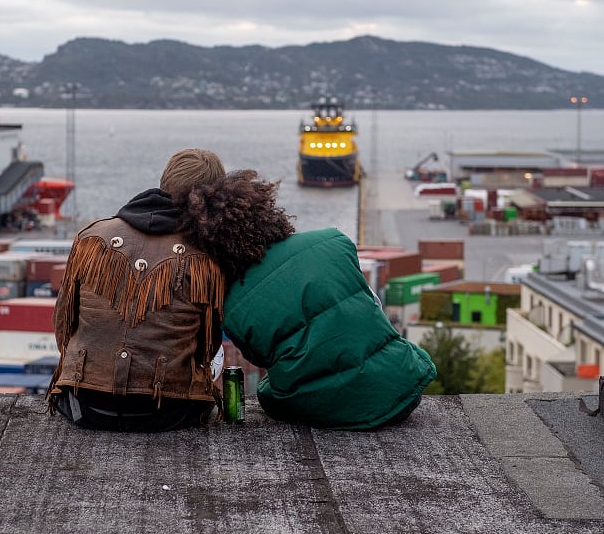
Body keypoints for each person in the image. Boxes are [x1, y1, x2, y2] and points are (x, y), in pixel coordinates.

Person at [183, 169, 437, 430]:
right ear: (267, 212)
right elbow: (374, 306)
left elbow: (262, 360)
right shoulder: (334, 241)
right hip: (403, 390)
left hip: (329, 410)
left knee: (268, 392)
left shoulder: (232, 308)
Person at [48, 149, 227, 431]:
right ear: (214, 199)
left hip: (84, 406)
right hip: (169, 412)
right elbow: (209, 347)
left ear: (164, 182)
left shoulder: (91, 237)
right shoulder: (207, 257)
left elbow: (63, 326)